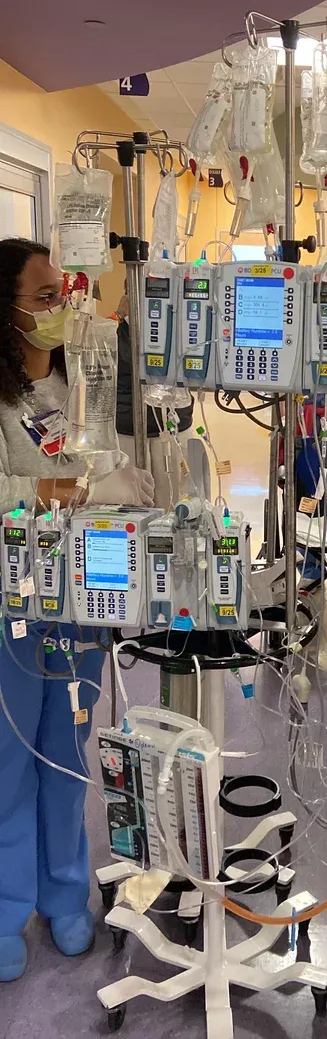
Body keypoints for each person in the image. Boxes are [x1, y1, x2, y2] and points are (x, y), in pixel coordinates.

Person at [0, 239, 154, 982]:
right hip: (12, 603)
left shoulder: (77, 384)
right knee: (8, 764)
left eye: (61, 294)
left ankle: (64, 896)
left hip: (81, 600)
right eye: (42, 298)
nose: (58, 309)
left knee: (66, 755)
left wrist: (118, 478)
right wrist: (70, 492)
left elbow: (103, 463)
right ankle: (5, 908)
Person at [111, 286, 194, 509]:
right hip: (127, 432)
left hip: (173, 428)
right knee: (132, 504)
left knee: (176, 504)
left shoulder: (184, 326)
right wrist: (121, 318)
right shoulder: (115, 331)